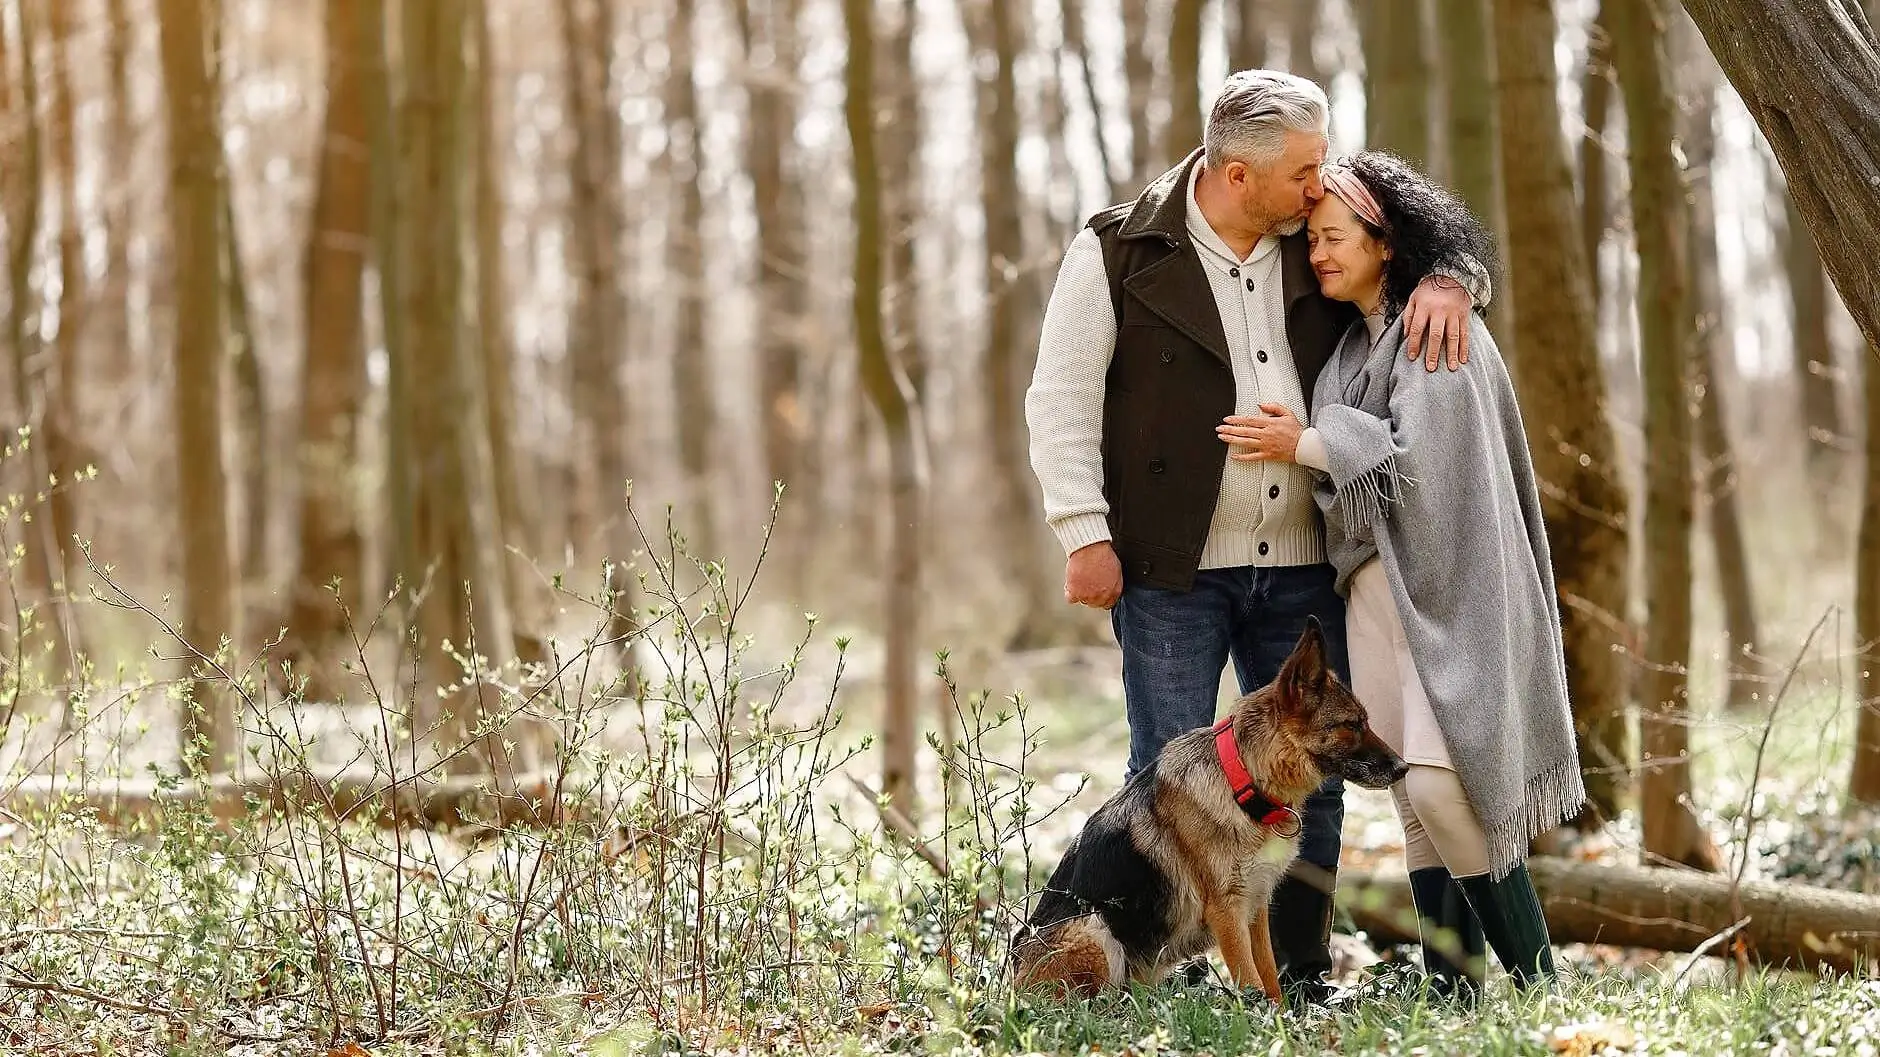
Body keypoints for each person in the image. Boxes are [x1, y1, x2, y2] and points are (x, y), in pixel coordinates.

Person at [1024, 70, 1488, 999]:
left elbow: (1414, 235)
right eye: (1306, 171)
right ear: (1239, 175)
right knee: (1169, 774)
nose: (1321, 186)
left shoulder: (1309, 237)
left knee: (1307, 779)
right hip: (1171, 570)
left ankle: (1301, 976)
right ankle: (1182, 972)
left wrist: (1455, 276)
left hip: (1308, 558)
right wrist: (1084, 531)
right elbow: (1061, 400)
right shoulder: (1118, 250)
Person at [1219, 149, 1585, 994]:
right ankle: (1452, 987)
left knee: (1440, 786)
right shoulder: (1353, 349)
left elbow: (1421, 477)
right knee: (1413, 799)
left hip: (1450, 593)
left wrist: (1304, 442)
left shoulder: (1435, 336)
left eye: (1336, 236)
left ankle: (1541, 984)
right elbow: (1365, 472)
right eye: (1311, 240)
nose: (1318, 254)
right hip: (1374, 595)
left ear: (1387, 243)